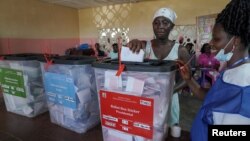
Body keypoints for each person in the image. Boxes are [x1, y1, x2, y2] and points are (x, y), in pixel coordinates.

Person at [178, 0, 250, 140]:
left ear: (235, 41)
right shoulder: (232, 71)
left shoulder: (242, 87)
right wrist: (189, 80)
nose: (211, 43)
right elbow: (213, 99)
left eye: (216, 39)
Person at [127, 7, 191, 127]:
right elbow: (132, 50)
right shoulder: (145, 46)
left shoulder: (180, 50)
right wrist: (133, 42)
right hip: (148, 96)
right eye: (156, 23)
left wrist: (169, 91)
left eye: (165, 23)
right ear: (153, 26)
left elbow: (188, 78)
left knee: (169, 128)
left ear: (172, 26)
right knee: (148, 127)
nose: (160, 26)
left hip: (170, 97)